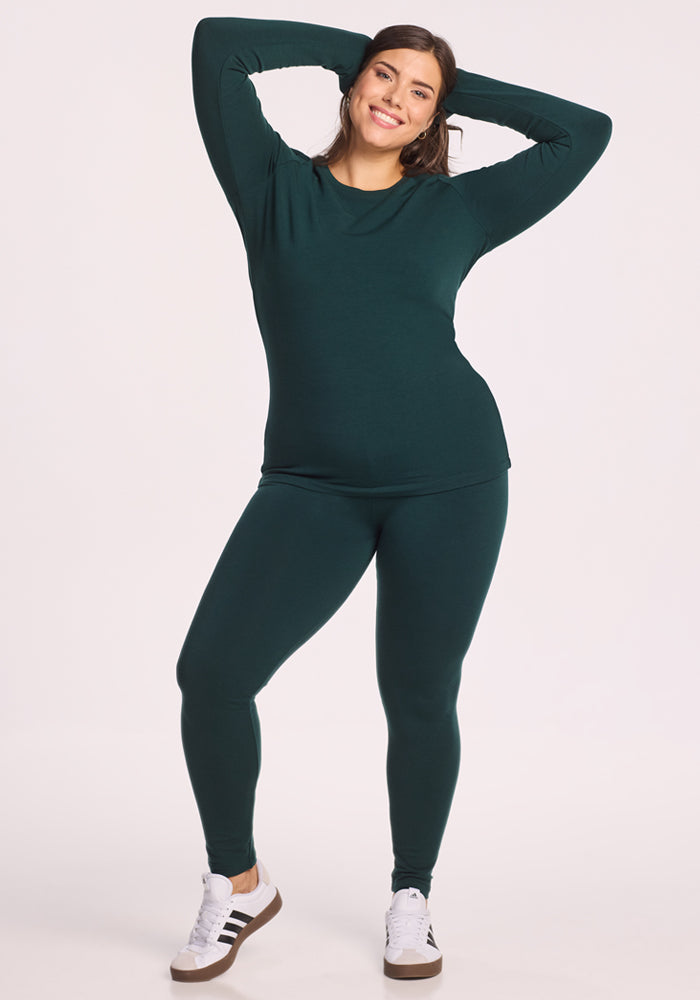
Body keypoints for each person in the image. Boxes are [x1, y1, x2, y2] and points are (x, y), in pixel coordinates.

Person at [169, 16, 612, 984]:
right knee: (211, 672)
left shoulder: (453, 210)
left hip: (449, 478)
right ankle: (237, 881)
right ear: (348, 83)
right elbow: (215, 46)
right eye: (383, 77)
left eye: (418, 93)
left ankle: (411, 897)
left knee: (416, 694)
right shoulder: (272, 186)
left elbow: (585, 131)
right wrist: (349, 46)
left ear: (433, 118)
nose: (395, 98)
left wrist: (448, 84)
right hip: (310, 485)